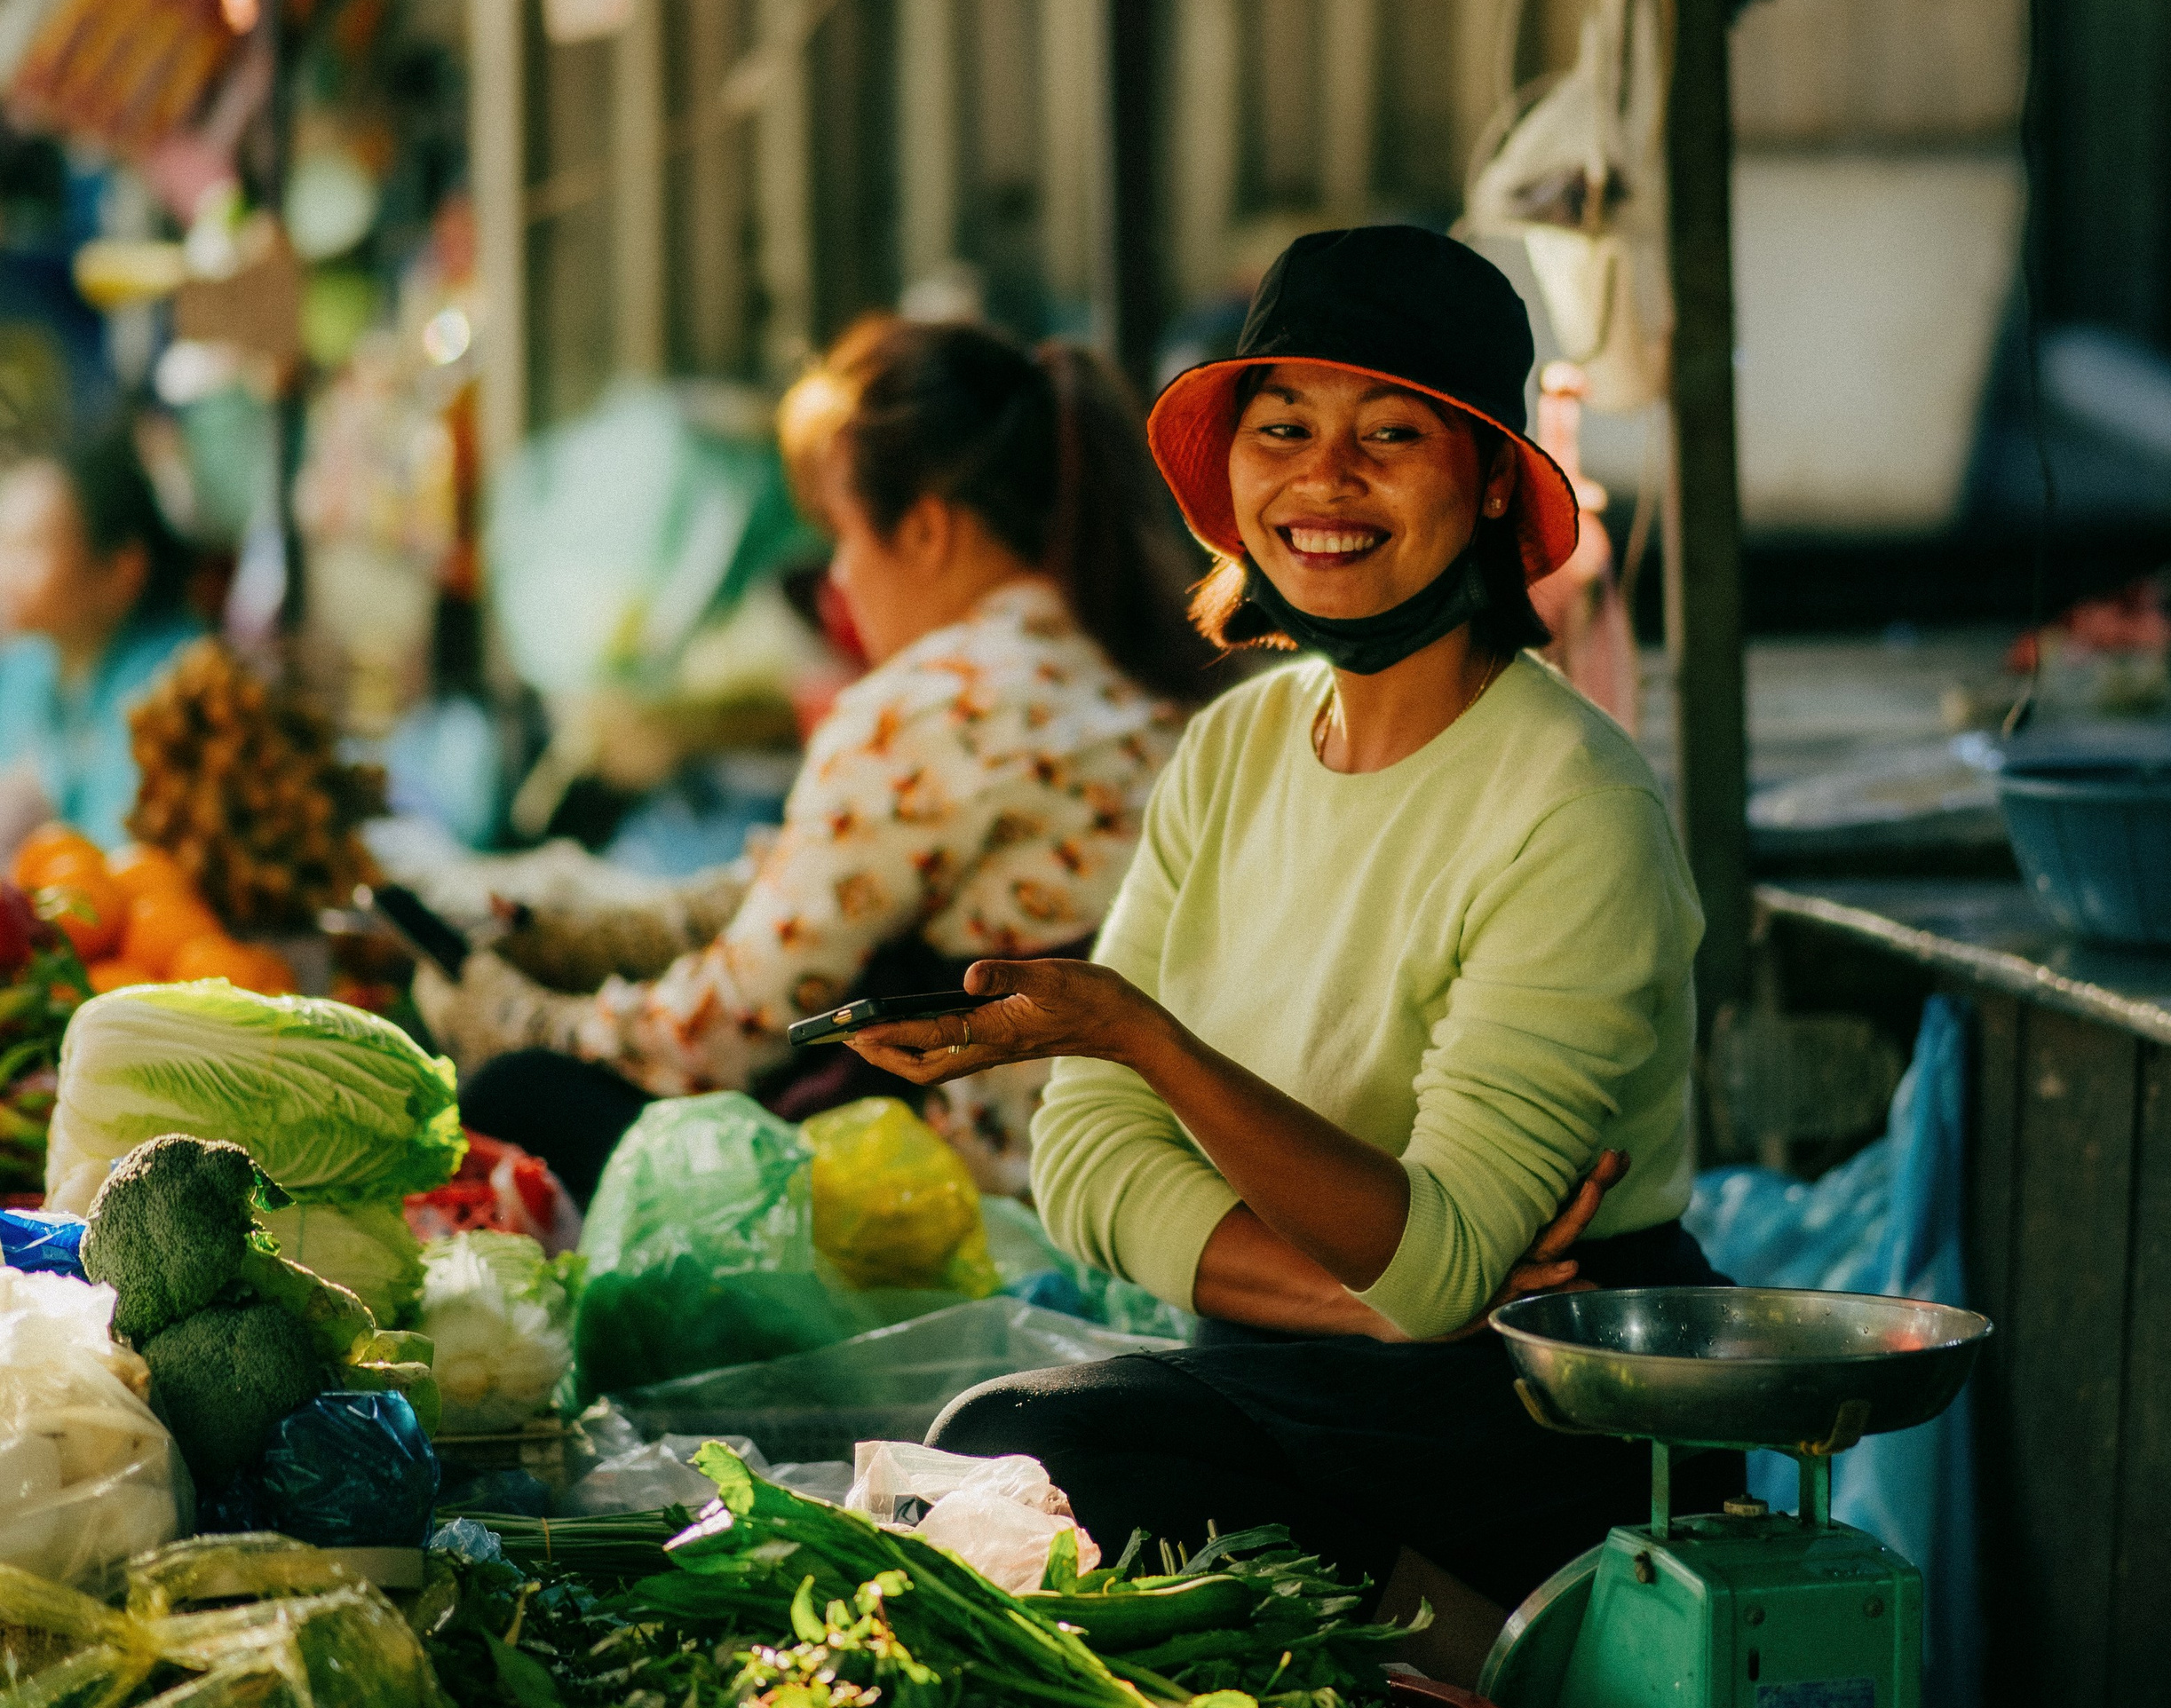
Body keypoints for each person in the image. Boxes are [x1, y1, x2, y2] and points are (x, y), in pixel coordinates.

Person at [843, 226, 1728, 1619]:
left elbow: (1443, 1271)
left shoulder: (1575, 807)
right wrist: (1355, 1294)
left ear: (1492, 477)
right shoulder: (1240, 745)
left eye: (1392, 432)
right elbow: (1081, 1161)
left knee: (1063, 1454)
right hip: (1302, 1371)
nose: (1325, 477)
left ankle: (1484, 1650)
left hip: (1531, 1416)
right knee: (983, 1453)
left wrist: (1141, 1036)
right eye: (1283, 428)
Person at [415, 319, 1220, 1202]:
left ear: (925, 531)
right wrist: (577, 940)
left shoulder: (929, 706)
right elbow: (786, 908)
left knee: (518, 1097)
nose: (836, 578)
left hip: (990, 1196)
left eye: (841, 534)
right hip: (1160, 1163)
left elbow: (718, 1034)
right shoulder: (1128, 669)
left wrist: (512, 1017)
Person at [0, 430, 202, 848]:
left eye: (31, 547)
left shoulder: (179, 682)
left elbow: (122, 855)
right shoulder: (25, 664)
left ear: (122, 571)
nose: (6, 571)